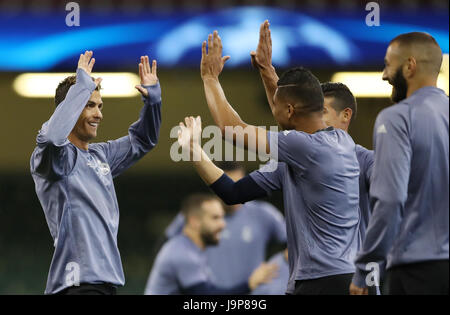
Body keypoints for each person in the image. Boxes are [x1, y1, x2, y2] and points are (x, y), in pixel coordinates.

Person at [176, 29, 361, 295]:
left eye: (276, 106)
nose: (272, 109)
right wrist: (266, 69)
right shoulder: (335, 145)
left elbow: (231, 129)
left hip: (321, 282)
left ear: (289, 110)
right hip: (342, 277)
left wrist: (209, 78)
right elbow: (233, 192)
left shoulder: (303, 148)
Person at [30, 51, 162, 295]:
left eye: (99, 106)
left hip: (104, 284)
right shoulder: (56, 159)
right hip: (77, 285)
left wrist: (153, 101)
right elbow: (51, 137)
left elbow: (143, 140)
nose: (98, 114)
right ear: (69, 108)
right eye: (89, 105)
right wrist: (81, 88)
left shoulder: (102, 156)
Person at [251, 20, 374, 245]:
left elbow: (398, 197)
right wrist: (267, 71)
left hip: (354, 275)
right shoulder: (294, 160)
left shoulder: (365, 160)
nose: (314, 116)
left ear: (345, 115)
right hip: (308, 276)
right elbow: (291, 118)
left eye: (322, 111)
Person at [350, 32, 449, 295]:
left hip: (417, 270)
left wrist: (364, 269)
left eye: (387, 64)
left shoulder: (396, 118)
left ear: (409, 66)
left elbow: (390, 200)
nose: (383, 75)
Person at [164, 161, 287, 290]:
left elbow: (295, 246)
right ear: (214, 184)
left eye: (238, 185)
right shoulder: (194, 215)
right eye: (226, 185)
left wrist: (276, 266)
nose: (233, 191)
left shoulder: (264, 214)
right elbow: (165, 248)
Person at [144, 194, 278, 294]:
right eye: (215, 218)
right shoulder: (181, 253)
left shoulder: (192, 249)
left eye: (222, 217)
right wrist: (249, 284)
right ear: (194, 221)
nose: (223, 224)